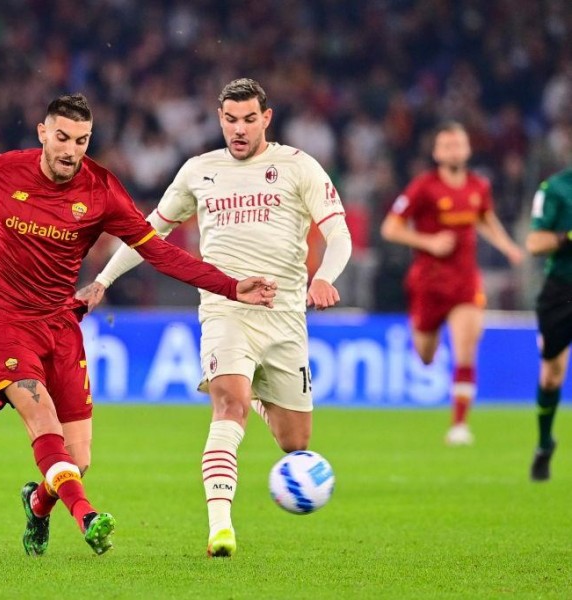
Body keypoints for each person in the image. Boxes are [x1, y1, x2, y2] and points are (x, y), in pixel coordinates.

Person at [0, 93, 276, 557]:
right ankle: (88, 517)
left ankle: (37, 505)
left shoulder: (101, 191)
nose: (70, 150)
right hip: (2, 320)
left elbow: (160, 252)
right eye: (62, 138)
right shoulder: (2, 170)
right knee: (41, 418)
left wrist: (232, 287)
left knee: (78, 460)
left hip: (60, 323)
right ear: (42, 133)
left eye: (81, 140)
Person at [76, 78, 352, 557]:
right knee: (228, 407)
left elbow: (339, 233)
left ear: (266, 118)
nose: (239, 129)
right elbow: (148, 233)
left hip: (285, 317)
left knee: (295, 441)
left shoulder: (297, 166)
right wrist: (104, 279)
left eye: (248, 119)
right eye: (230, 120)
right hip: (226, 309)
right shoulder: (199, 171)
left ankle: (257, 394)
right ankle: (220, 528)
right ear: (219, 119)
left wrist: (325, 276)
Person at [380, 121, 523, 446]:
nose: (453, 150)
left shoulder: (478, 186)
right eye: (446, 146)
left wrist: (508, 246)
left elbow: (484, 219)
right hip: (428, 284)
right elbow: (390, 228)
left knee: (466, 350)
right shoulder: (423, 187)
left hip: (464, 282)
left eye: (458, 144)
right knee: (426, 356)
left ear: (468, 149)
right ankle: (428, 338)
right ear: (436, 152)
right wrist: (428, 242)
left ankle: (459, 425)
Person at [525, 165, 572, 481]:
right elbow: (535, 243)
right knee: (552, 375)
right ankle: (544, 444)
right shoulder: (555, 188)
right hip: (563, 289)